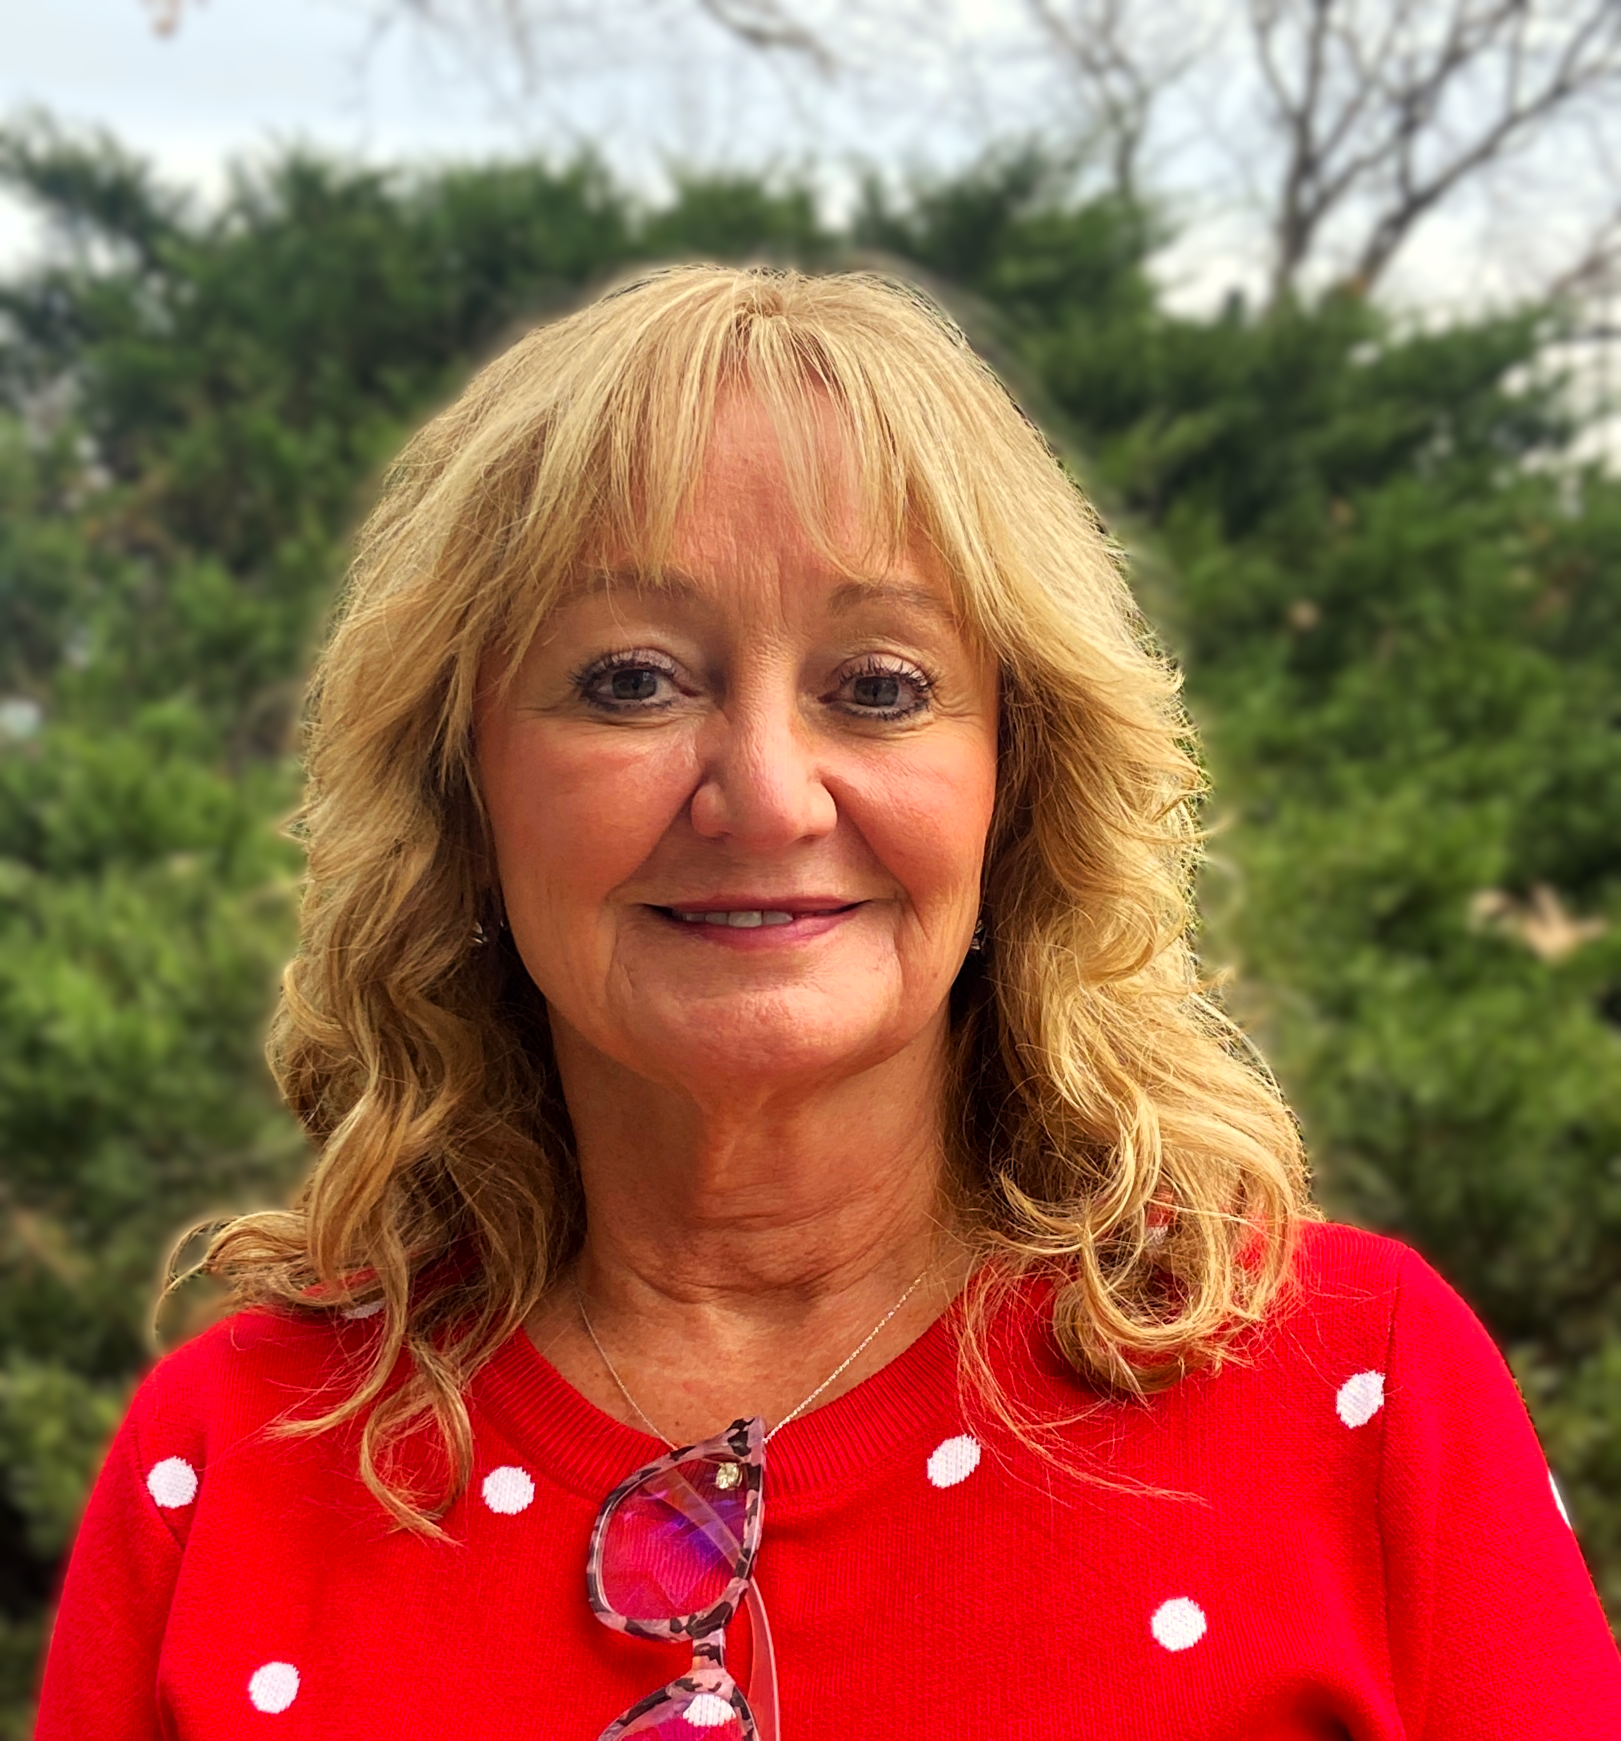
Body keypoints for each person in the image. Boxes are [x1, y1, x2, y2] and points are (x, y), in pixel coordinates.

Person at [35, 265, 1621, 1741]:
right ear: (465, 788)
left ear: (1017, 784)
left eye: (877, 686)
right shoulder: (227, 1475)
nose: (768, 792)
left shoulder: (1356, 1401)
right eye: (631, 680)